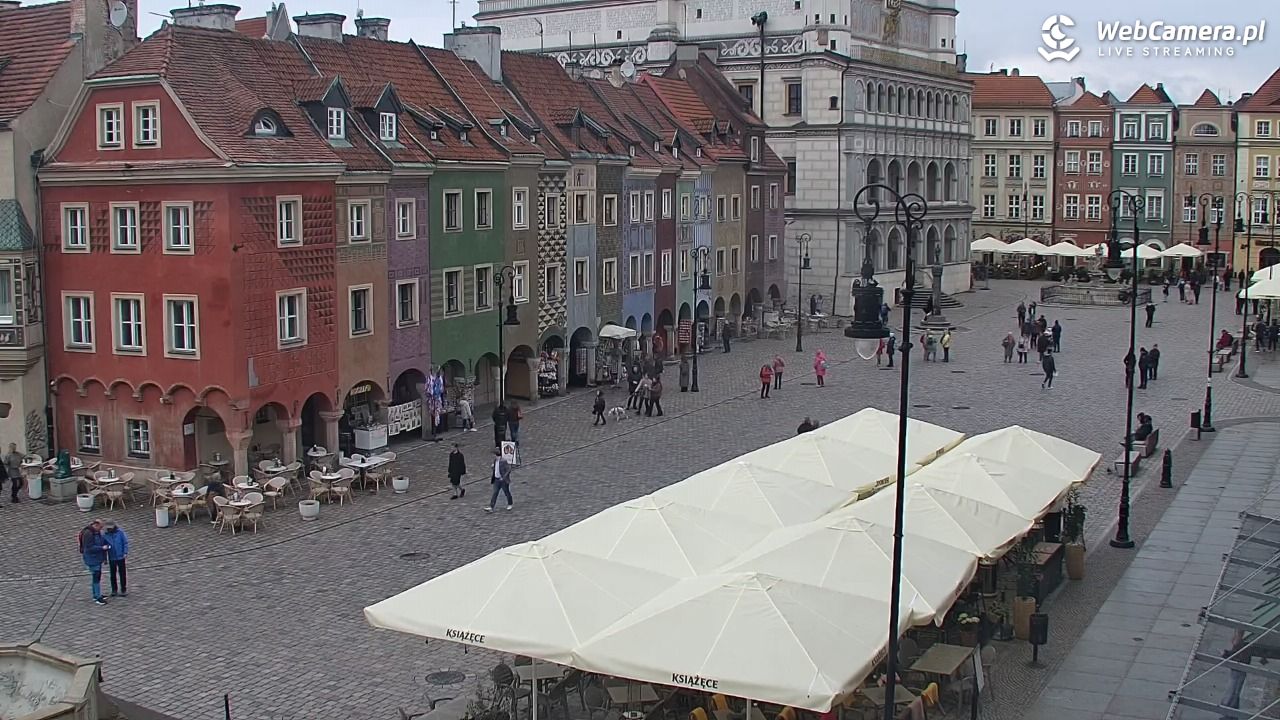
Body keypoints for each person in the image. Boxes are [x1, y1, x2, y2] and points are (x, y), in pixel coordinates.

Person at [78, 519, 111, 605]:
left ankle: (96, 594)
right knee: (96, 577)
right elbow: (89, 548)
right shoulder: (88, 534)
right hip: (92, 559)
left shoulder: (95, 532)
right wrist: (102, 548)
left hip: (97, 558)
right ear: (96, 525)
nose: (101, 529)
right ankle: (97, 597)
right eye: (100, 527)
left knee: (96, 577)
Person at [103, 520, 129, 597]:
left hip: (120, 556)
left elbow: (125, 542)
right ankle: (114, 590)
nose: (109, 529)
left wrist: (125, 552)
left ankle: (123, 589)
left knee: (122, 574)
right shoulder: (105, 535)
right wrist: (105, 558)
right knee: (113, 574)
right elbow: (104, 547)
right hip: (112, 557)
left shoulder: (120, 532)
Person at [485, 447, 513, 512]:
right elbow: (496, 469)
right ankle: (491, 507)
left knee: (506, 492)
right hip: (496, 480)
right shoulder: (495, 461)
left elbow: (508, 469)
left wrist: (504, 477)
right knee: (495, 493)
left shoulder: (503, 461)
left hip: (503, 480)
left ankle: (510, 503)